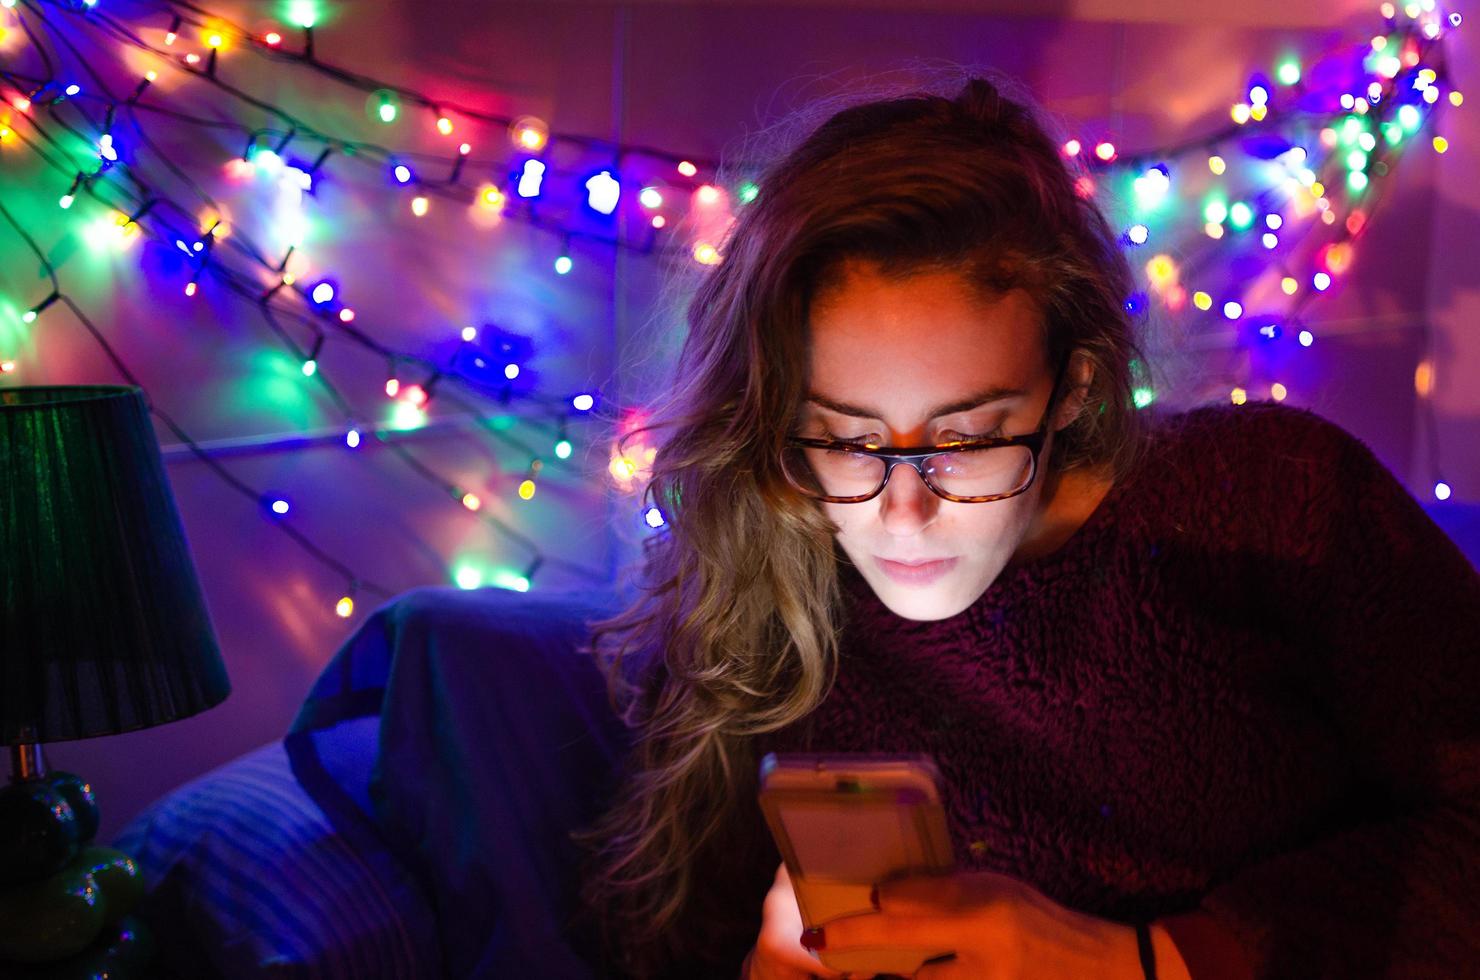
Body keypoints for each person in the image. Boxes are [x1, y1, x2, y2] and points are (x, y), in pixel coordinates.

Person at [566, 69, 1480, 980]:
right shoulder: (763, 564)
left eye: (967, 439)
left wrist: (1148, 962)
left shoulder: (1272, 498)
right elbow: (671, 934)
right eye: (847, 439)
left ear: (1071, 389)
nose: (904, 512)